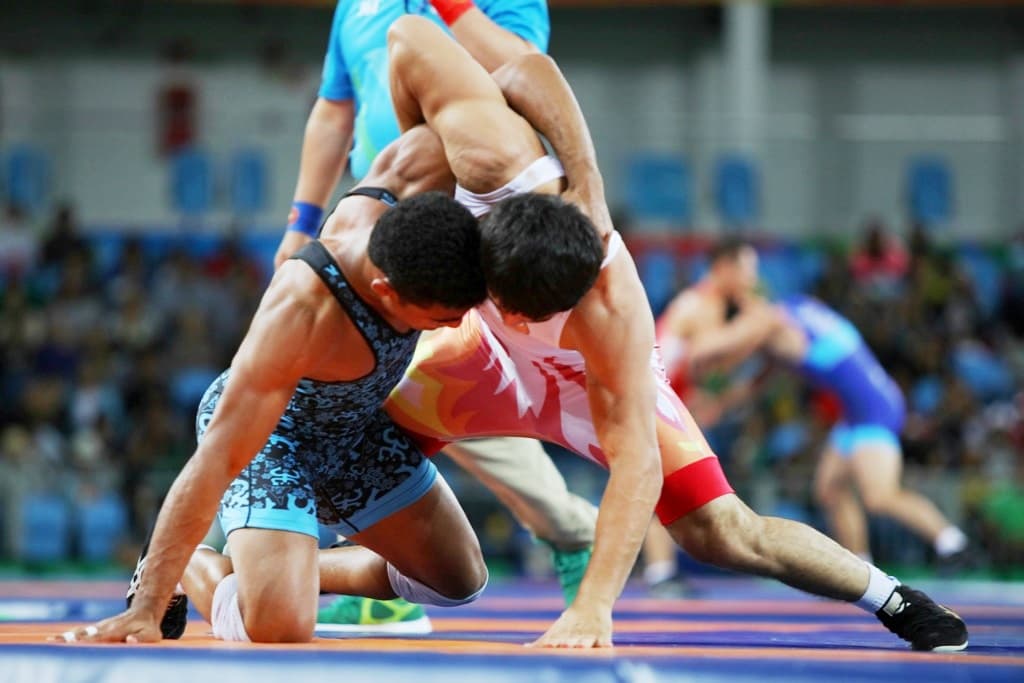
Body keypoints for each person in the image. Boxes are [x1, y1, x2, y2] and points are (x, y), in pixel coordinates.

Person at [347, 16, 963, 650]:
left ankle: (890, 596)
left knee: (722, 530)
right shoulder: (494, 163)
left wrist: (594, 607)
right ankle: (284, 553)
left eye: (545, 312)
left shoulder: (614, 312)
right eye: (518, 306)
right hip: (481, 355)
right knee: (352, 438)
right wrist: (422, 175)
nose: (529, 318)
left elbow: (634, 465)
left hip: (592, 384)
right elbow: (419, 40)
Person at [55, 126, 498, 645]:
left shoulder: (415, 171)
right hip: (273, 441)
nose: (452, 328)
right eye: (440, 318)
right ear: (385, 290)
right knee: (281, 627)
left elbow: (448, 78)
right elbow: (217, 458)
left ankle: (292, 568)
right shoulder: (303, 309)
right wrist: (148, 608)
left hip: (352, 432)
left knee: (457, 580)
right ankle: (189, 565)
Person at [280, 0, 596, 626]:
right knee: (356, 393)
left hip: (467, 220)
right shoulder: (356, 7)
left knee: (418, 390)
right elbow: (333, 110)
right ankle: (393, 575)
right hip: (378, 218)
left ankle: (566, 527)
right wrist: (301, 221)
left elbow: (519, 73)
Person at [657, 239, 971, 568]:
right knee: (830, 490)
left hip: (874, 411)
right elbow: (757, 380)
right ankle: (861, 567)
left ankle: (953, 543)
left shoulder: (768, 319)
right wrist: (719, 401)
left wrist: (689, 335)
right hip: (859, 411)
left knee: (880, 496)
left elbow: (706, 353)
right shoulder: (793, 312)